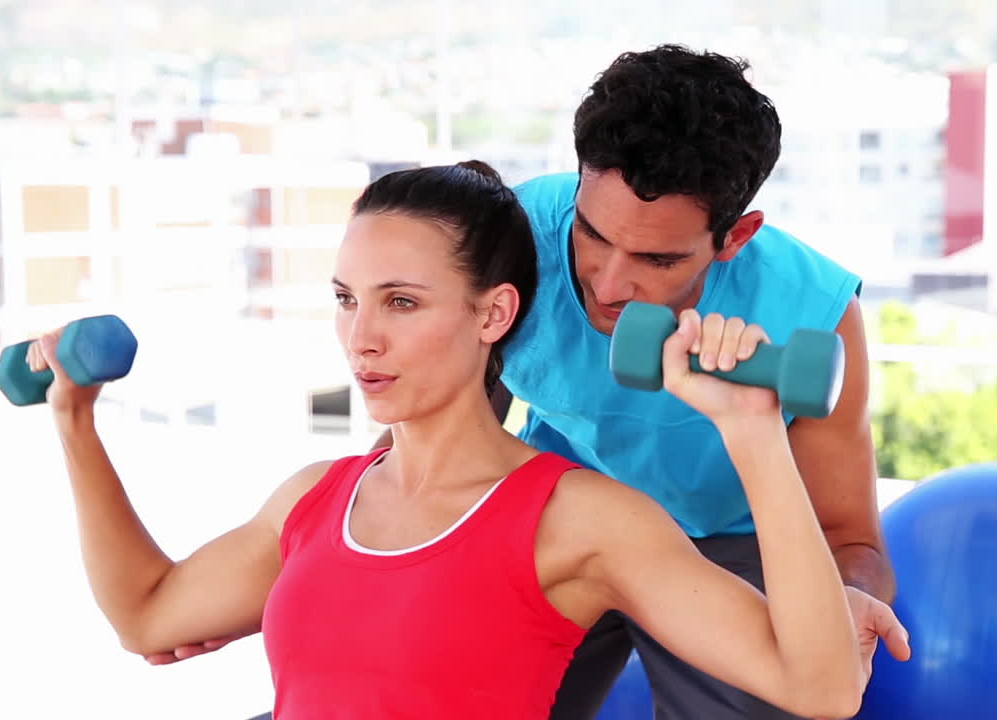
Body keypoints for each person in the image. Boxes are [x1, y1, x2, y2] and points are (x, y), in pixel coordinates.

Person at [157, 45, 908, 719]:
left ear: (735, 238)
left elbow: (852, 537)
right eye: (595, 234)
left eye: (658, 262)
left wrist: (847, 603)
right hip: (555, 524)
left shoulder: (814, 318)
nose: (610, 284)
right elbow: (432, 425)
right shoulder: (513, 247)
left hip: (733, 544)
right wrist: (304, 586)